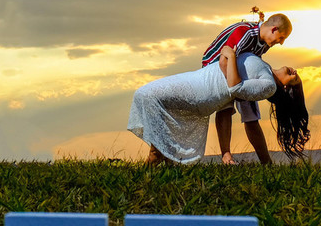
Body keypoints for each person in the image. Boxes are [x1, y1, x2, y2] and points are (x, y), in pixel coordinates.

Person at [129, 47, 307, 164]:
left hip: (203, 90)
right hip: (200, 79)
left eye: (294, 79)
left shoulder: (269, 86)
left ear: (285, 88)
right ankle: (158, 165)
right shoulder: (265, 66)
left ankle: (147, 171)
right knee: (147, 96)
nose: (295, 72)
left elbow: (235, 87)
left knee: (148, 95)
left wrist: (229, 55)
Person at [201, 10, 292, 164]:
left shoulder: (264, 44)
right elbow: (224, 60)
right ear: (274, 29)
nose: (281, 42)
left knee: (251, 113)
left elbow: (251, 64)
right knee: (226, 106)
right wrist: (236, 89)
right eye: (281, 37)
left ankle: (266, 162)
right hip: (215, 66)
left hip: (237, 71)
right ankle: (226, 156)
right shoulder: (245, 33)